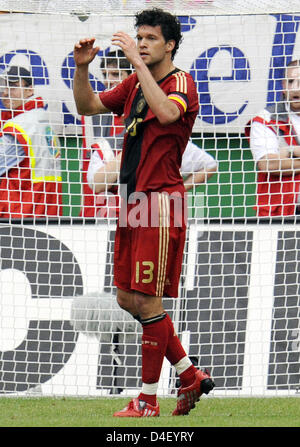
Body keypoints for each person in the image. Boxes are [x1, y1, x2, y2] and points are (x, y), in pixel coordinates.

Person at [73, 7, 215, 417]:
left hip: (161, 203)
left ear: (170, 44)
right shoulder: (136, 82)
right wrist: (82, 69)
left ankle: (148, 400)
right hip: (134, 202)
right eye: (140, 38)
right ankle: (189, 376)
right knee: (125, 298)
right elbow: (89, 107)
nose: (143, 44)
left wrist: (136, 61)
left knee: (149, 303)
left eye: (151, 39)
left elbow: (170, 114)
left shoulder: (181, 82)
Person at [86, 138, 217, 218]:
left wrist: (175, 190)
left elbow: (209, 165)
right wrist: (130, 149)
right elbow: (96, 184)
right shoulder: (106, 146)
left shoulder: (172, 144)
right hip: (112, 221)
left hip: (154, 221)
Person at [0, 64, 62, 218]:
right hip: (47, 213)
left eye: (13, 86)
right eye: (3, 87)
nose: (5, 92)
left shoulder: (21, 125)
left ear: (30, 90)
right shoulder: (42, 119)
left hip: (20, 214)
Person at [81, 50, 133, 217]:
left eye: (116, 74)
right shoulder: (92, 116)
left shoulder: (147, 111)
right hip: (98, 212)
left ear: (133, 77)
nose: (109, 80)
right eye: (105, 74)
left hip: (136, 212)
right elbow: (87, 169)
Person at [246, 59, 300, 217]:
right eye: (291, 82)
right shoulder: (265, 119)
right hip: (279, 214)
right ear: (283, 86)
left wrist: (289, 152)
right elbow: (268, 164)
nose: (296, 88)